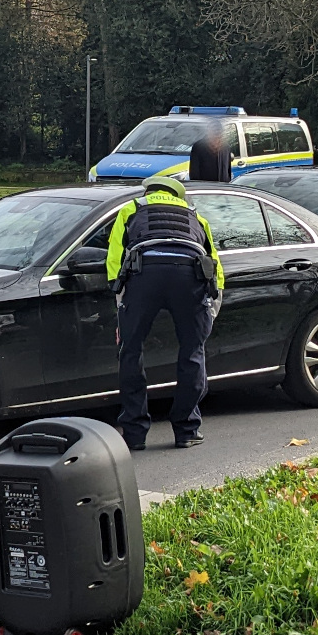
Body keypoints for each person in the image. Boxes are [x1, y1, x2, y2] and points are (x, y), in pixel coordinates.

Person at [106, 174, 225, 451]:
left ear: (148, 192)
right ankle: (187, 429)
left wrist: (121, 303)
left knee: (131, 350)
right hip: (189, 276)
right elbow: (214, 264)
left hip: (144, 274)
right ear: (177, 196)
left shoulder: (131, 209)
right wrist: (212, 308)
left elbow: (114, 259)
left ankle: (134, 433)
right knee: (193, 351)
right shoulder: (195, 216)